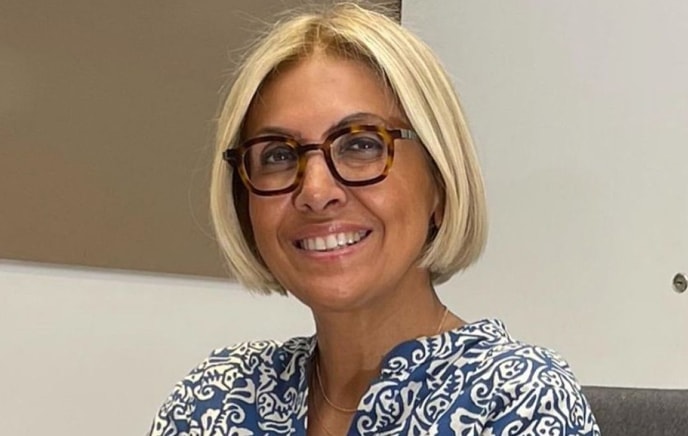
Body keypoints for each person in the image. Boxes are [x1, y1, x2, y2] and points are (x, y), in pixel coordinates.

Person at [149, 3, 600, 435]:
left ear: (439, 183)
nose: (316, 193)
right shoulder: (216, 400)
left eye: (361, 144)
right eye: (279, 155)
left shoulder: (519, 402)